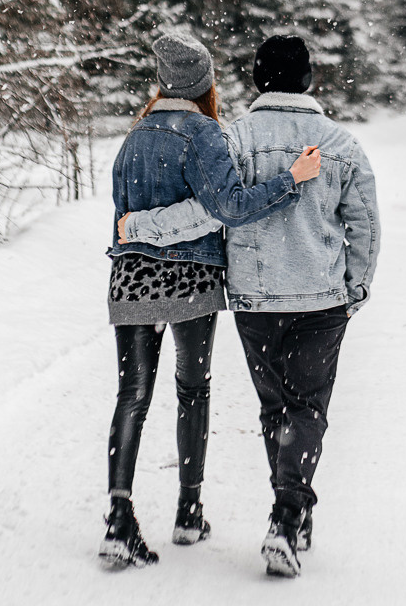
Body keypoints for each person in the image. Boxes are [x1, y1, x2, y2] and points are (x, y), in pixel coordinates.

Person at [119, 34, 380, 577]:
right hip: (322, 298)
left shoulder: (232, 139)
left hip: (257, 300)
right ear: (309, 79)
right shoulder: (342, 144)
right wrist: (356, 287)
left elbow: (207, 213)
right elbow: (365, 224)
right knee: (307, 407)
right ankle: (287, 516)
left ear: (259, 79)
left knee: (274, 407)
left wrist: (139, 229)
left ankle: (289, 511)